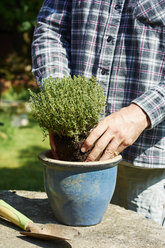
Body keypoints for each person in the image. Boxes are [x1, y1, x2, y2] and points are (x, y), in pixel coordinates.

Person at [32, 0, 165, 226]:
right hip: (71, 159)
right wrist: (62, 99)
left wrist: (143, 112)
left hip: (143, 160)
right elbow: (50, 29)